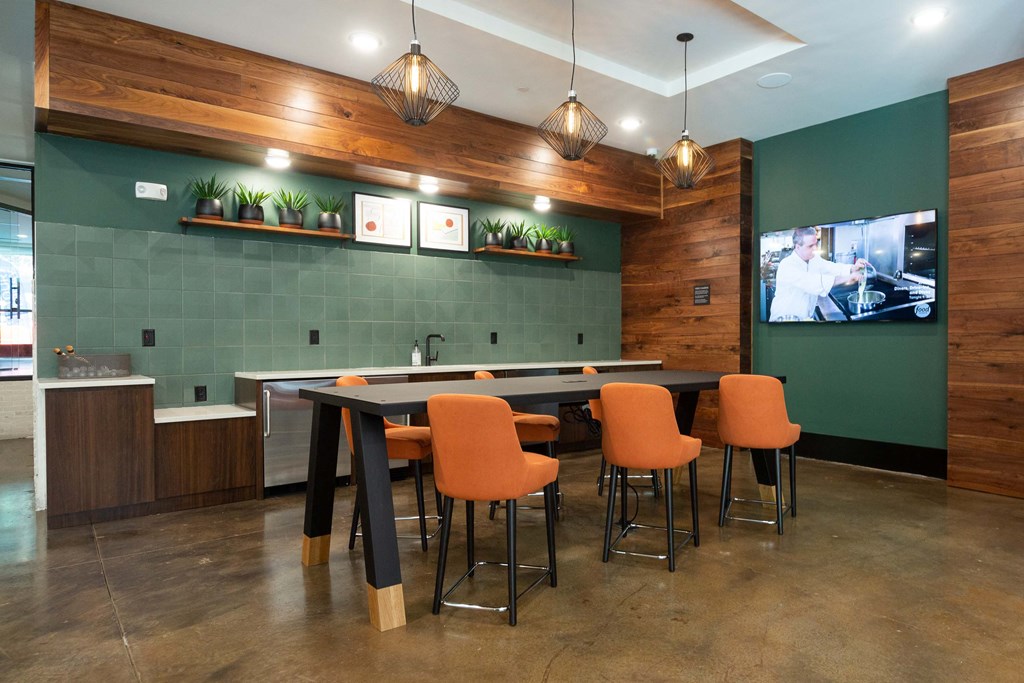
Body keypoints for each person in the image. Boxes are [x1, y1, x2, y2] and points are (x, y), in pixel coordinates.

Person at [769, 226, 867, 321]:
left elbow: (831, 267)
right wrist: (848, 278)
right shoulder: (787, 265)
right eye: (810, 246)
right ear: (797, 247)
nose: (815, 248)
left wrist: (853, 268)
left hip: (805, 318)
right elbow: (812, 282)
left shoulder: (813, 259)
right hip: (784, 319)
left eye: (816, 243)